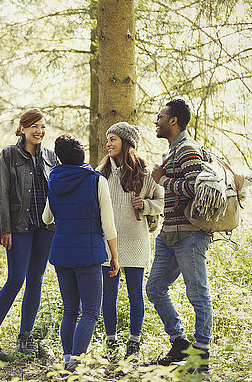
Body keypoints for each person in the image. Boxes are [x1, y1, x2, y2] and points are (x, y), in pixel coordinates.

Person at [0, 109, 58, 359]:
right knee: (16, 279)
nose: (39, 131)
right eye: (34, 126)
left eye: (43, 126)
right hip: (19, 226)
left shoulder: (50, 155)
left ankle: (25, 338)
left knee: (35, 281)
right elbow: (2, 192)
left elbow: (58, 188)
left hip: (45, 227)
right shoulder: (9, 154)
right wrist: (5, 228)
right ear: (23, 128)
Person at [42, 134, 119, 372]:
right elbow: (108, 223)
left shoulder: (53, 179)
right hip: (89, 255)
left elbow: (47, 218)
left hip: (62, 255)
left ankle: (67, 360)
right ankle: (76, 362)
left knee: (70, 309)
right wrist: (115, 256)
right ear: (81, 153)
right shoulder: (96, 180)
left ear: (59, 157)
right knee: (91, 311)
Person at [146, 99, 213, 371]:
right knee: (154, 288)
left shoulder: (187, 149)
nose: (157, 121)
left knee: (198, 294)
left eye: (160, 117)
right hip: (168, 233)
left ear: (173, 121)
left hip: (189, 234)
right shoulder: (172, 152)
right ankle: (179, 342)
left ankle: (201, 355)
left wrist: (162, 180)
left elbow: (198, 189)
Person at [96, 122, 164, 363]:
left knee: (135, 294)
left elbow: (161, 200)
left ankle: (134, 342)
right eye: (107, 140)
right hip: (108, 243)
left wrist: (145, 206)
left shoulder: (145, 172)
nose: (108, 144)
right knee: (109, 296)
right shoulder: (100, 172)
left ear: (126, 143)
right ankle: (111, 341)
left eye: (113, 139)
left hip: (136, 240)